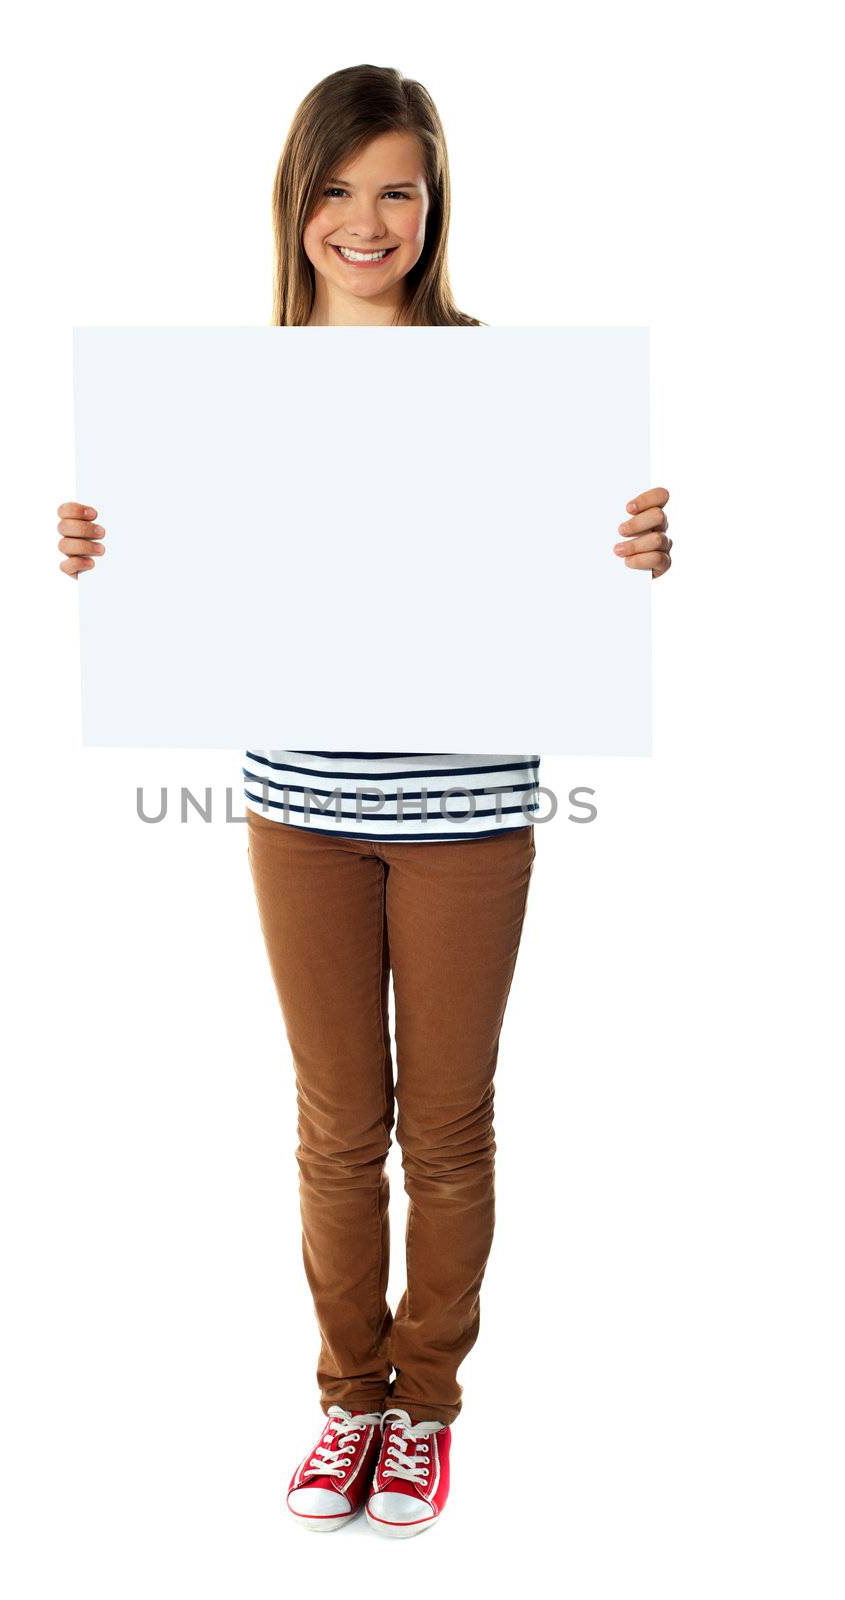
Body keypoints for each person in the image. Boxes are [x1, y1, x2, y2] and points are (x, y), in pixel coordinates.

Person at [56, 64, 672, 1539]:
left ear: (433, 202)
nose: (366, 219)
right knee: (339, 1125)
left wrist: (636, 549)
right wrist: (104, 548)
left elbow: (567, 563)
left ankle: (428, 1408)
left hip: (468, 809)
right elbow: (196, 582)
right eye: (338, 188)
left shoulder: (508, 385)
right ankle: (348, 1403)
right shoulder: (227, 395)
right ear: (297, 202)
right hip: (300, 805)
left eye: (397, 187)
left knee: (446, 1130)